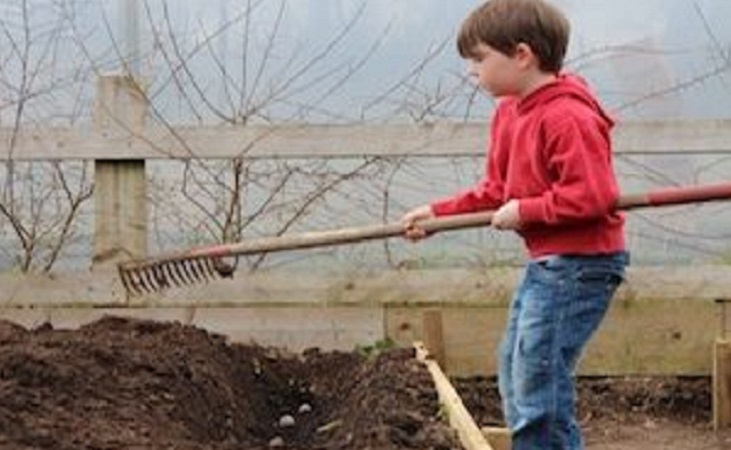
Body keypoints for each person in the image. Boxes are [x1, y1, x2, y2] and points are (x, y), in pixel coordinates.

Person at [400, 0, 629, 448]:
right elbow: (496, 192)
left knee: (538, 378)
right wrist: (440, 215)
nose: (472, 72)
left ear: (522, 55)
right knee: (515, 365)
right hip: (550, 263)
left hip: (584, 263)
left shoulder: (568, 116)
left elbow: (592, 195)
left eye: (480, 59)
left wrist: (527, 211)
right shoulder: (509, 112)